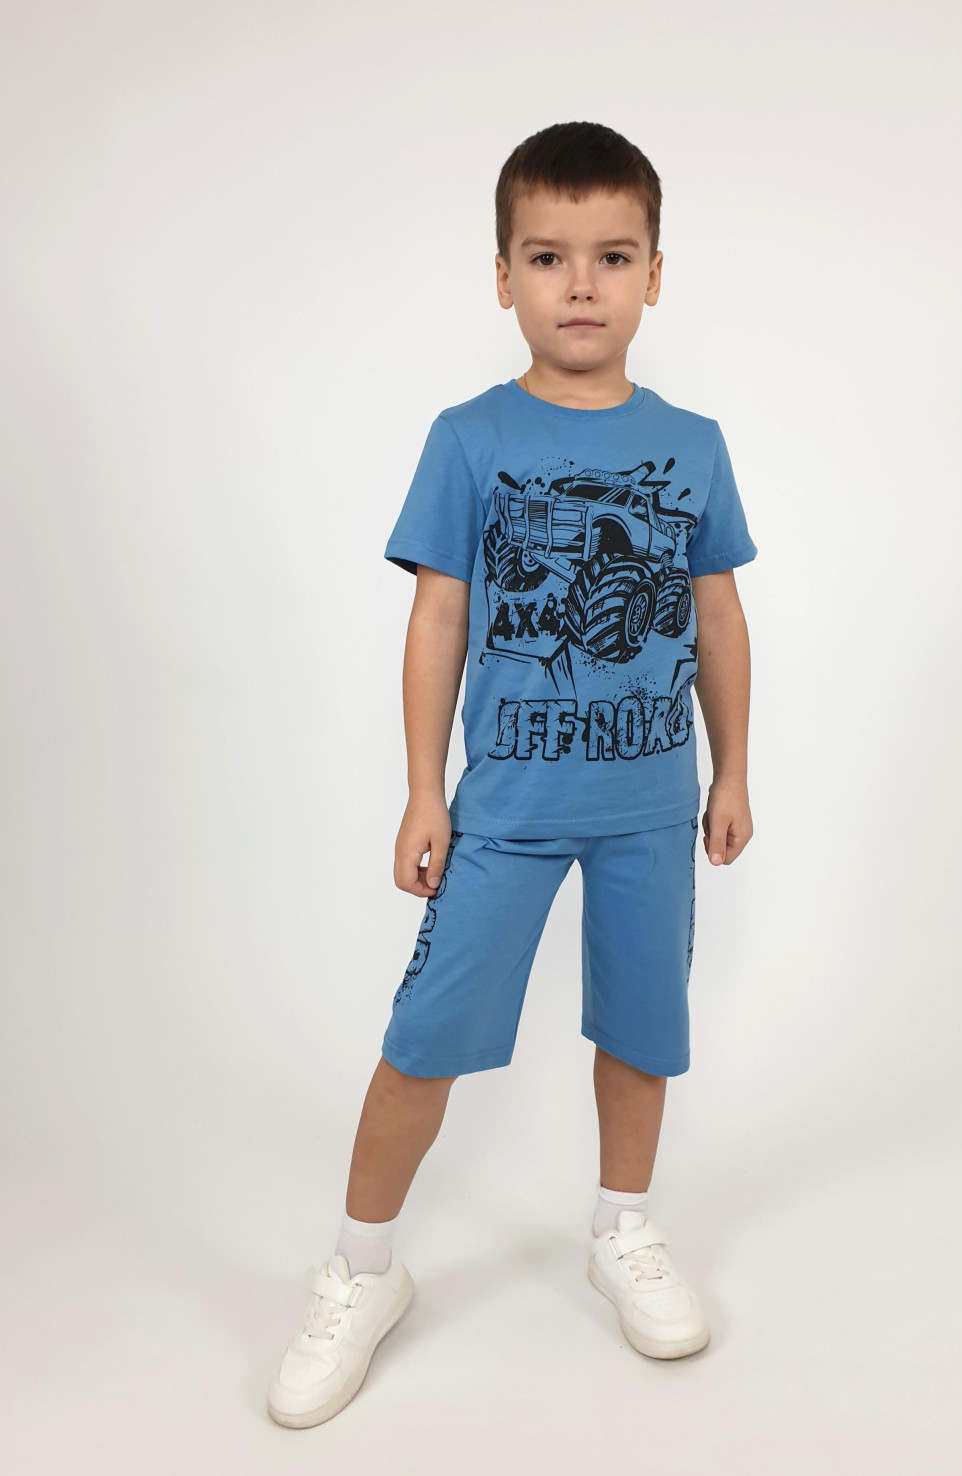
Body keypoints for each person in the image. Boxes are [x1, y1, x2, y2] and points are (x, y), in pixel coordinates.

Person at [267, 119, 758, 1429]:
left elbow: (716, 616)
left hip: (652, 803)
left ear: (654, 273)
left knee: (641, 1028)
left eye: (612, 256)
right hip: (510, 807)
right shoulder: (469, 438)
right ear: (503, 277)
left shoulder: (695, 444)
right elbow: (437, 616)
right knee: (426, 1033)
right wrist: (425, 789)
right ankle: (361, 1268)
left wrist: (731, 773)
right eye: (547, 257)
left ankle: (622, 1228)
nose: (580, 285)